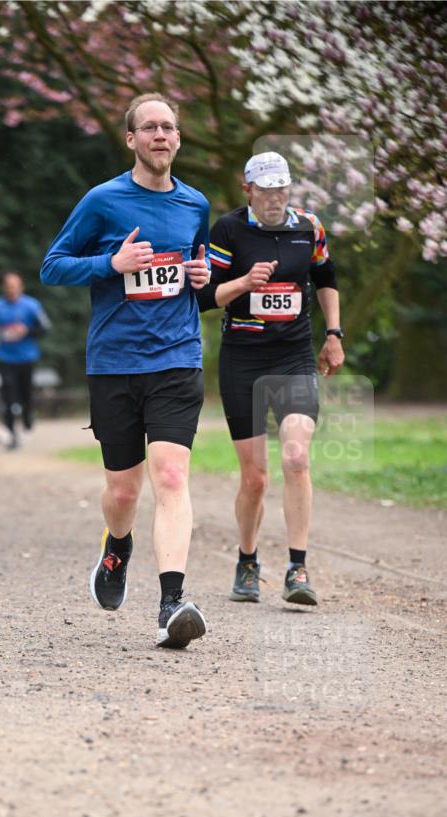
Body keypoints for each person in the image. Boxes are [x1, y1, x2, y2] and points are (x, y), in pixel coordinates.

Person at [41, 92, 211, 648]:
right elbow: (53, 266)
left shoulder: (195, 205)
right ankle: (117, 550)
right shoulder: (103, 201)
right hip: (114, 363)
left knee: (170, 476)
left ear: (178, 139)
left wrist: (200, 276)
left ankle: (171, 602)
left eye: (169, 127)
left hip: (177, 358)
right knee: (122, 490)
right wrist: (110, 264)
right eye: (150, 128)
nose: (161, 135)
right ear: (132, 140)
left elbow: (198, 260)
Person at [197, 151, 344, 606]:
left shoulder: (309, 227)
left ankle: (298, 567)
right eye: (266, 190)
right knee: (256, 478)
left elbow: (325, 275)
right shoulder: (228, 229)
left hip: (294, 356)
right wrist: (245, 283)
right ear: (249, 191)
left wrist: (334, 333)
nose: (275, 198)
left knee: (297, 456)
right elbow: (205, 297)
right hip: (243, 359)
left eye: (282, 188)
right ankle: (247, 561)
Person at [0, 271, 51, 450]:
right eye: (8, 286)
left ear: (21, 287)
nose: (11, 289)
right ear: (4, 287)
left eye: (14, 285)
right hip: (4, 357)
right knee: (7, 394)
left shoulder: (32, 305)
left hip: (27, 358)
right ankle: (9, 430)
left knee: (25, 395)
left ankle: (28, 422)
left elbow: (45, 329)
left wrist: (26, 330)